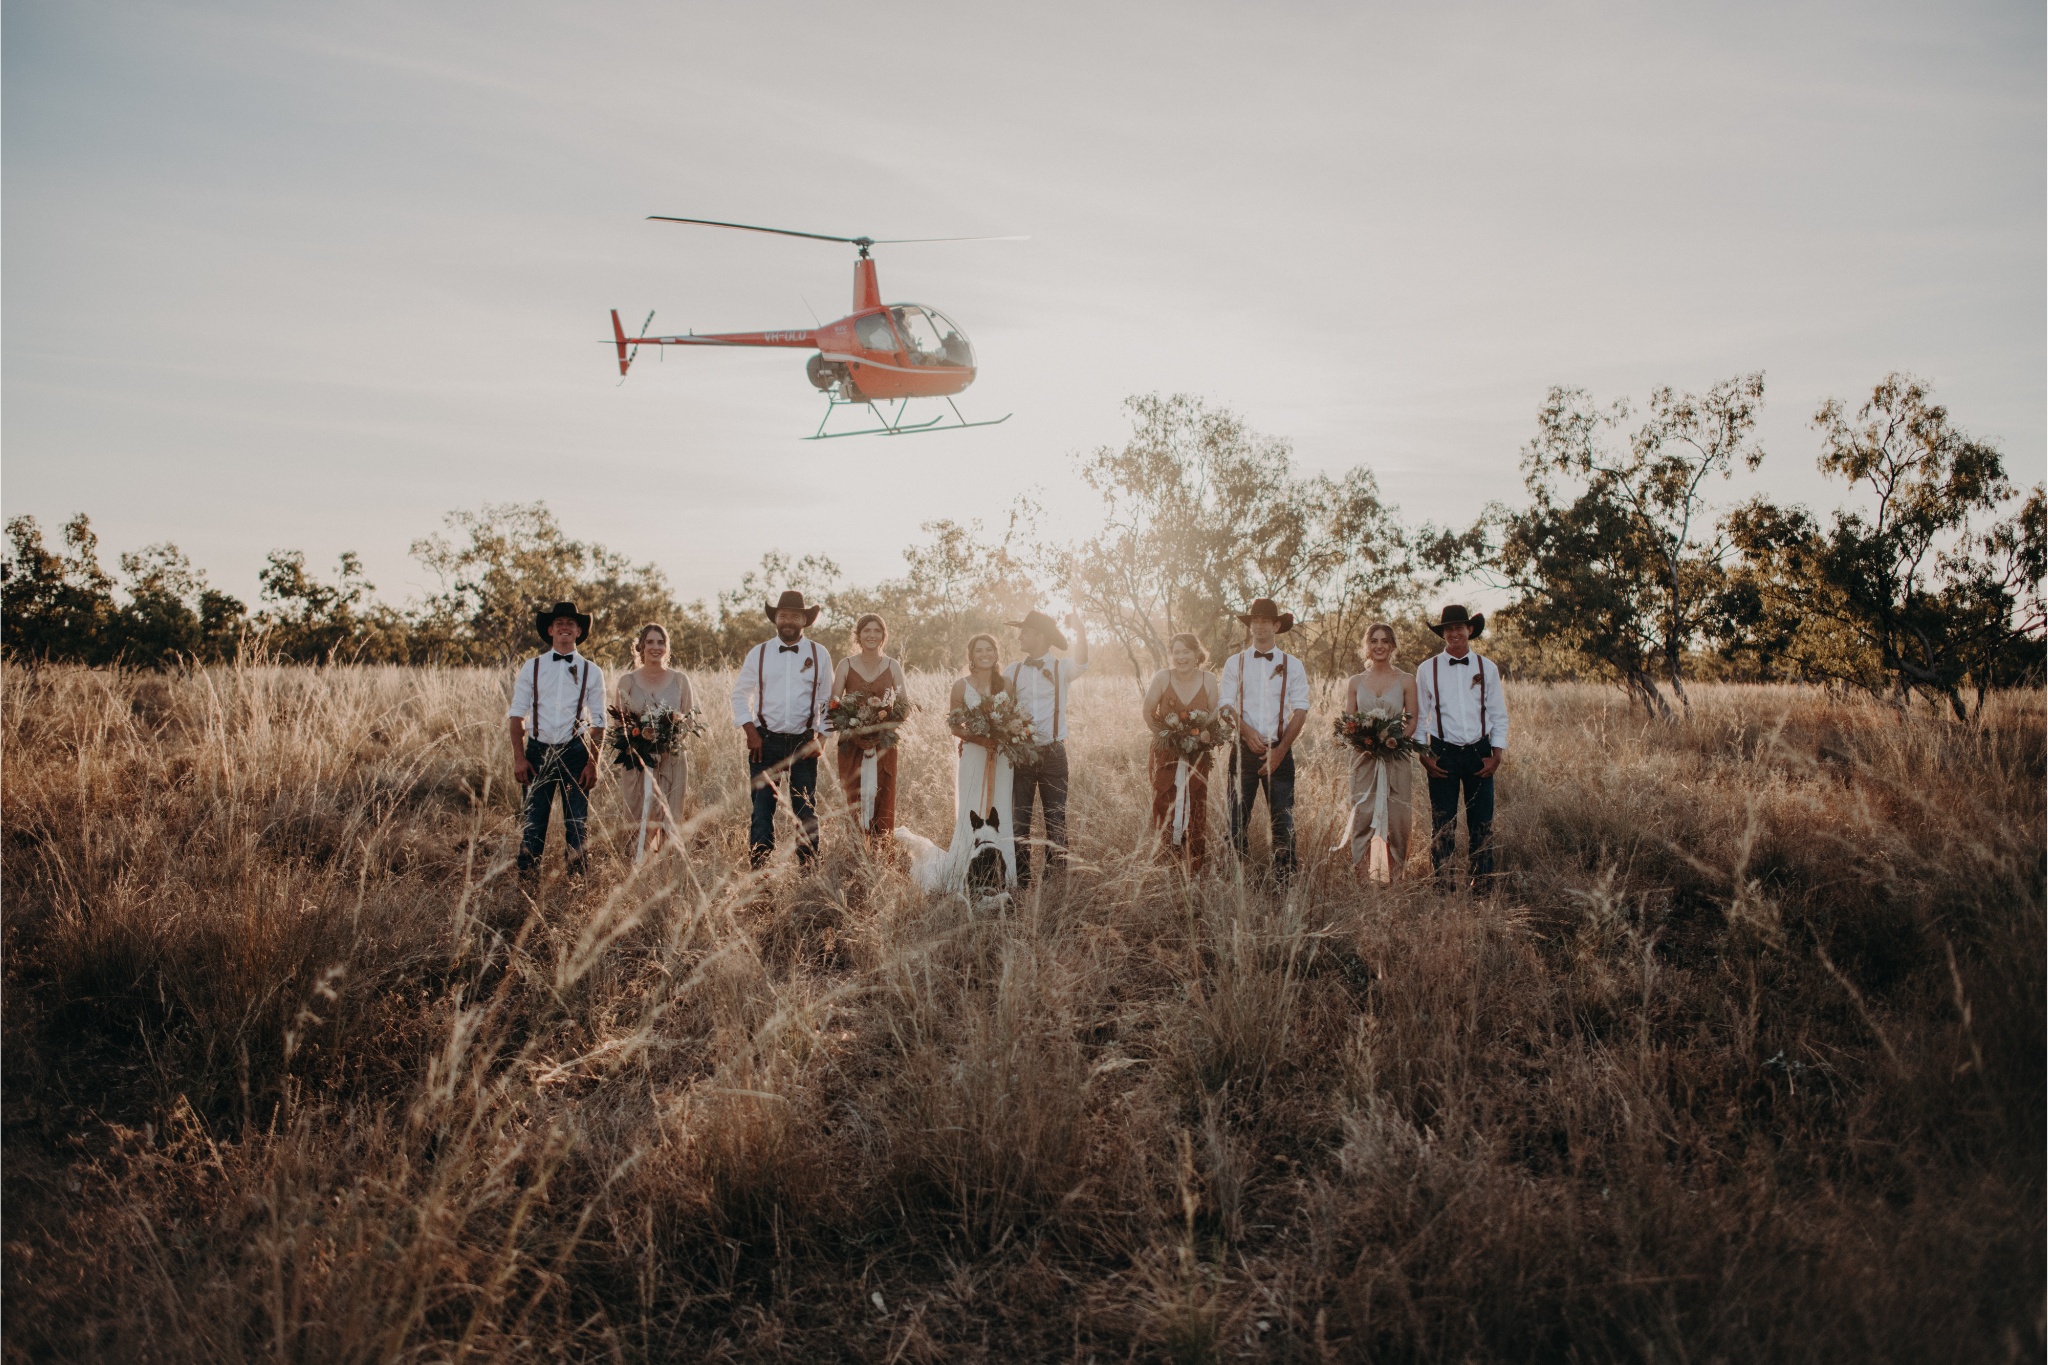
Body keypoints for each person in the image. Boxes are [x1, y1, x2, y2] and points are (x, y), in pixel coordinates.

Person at [898, 633, 1016, 897]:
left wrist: (1000, 736)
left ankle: (1004, 876)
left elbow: (1014, 720)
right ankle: (962, 873)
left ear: (996, 654)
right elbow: (954, 726)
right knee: (970, 812)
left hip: (1001, 757)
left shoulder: (1007, 685)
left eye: (989, 649)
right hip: (974, 754)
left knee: (1001, 810)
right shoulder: (961, 686)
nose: (984, 654)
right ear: (971, 656)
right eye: (979, 650)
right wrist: (979, 738)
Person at [730, 591, 834, 870]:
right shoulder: (759, 653)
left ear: (804, 620)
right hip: (765, 741)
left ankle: (809, 870)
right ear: (775, 618)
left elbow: (828, 701)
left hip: (803, 741)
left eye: (795, 616)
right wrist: (751, 733)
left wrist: (822, 738)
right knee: (762, 810)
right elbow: (740, 695)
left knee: (805, 809)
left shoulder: (819, 653)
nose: (788, 620)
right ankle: (760, 871)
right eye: (783, 615)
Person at [508, 601, 607, 878]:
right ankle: (527, 883)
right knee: (533, 822)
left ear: (578, 632)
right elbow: (517, 716)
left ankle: (577, 884)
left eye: (571, 624)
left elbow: (599, 722)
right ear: (550, 630)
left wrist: (593, 762)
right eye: (559, 623)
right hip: (537, 752)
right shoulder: (533, 667)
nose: (565, 627)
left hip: (576, 752)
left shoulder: (592, 671)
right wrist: (519, 758)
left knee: (577, 823)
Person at [1415, 605, 1509, 890]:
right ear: (1443, 633)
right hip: (1442, 752)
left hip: (1480, 751)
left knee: (1482, 822)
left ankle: (1481, 884)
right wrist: (1423, 754)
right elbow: (1420, 715)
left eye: (1460, 627)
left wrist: (1496, 754)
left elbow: (1498, 714)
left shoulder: (1487, 667)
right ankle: (1442, 884)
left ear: (1470, 630)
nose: (1454, 633)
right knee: (1443, 823)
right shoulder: (1427, 669)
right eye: (1448, 628)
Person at [1219, 598, 1309, 884]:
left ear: (1276, 625)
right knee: (1236, 823)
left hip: (1279, 753)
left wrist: (1281, 751)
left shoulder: (1292, 665)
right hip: (1243, 752)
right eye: (1254, 621)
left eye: (1265, 621)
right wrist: (1245, 731)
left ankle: (1285, 886)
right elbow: (1224, 706)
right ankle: (1235, 882)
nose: (1259, 626)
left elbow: (1301, 709)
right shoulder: (1235, 662)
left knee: (1283, 823)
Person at [1005, 609, 1089, 889]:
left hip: (1054, 754)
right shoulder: (1012, 671)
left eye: (1025, 631)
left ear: (1039, 636)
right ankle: (1022, 879)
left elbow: (1082, 661)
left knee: (1056, 819)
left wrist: (1081, 630)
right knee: (1019, 820)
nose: (1020, 636)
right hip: (1021, 755)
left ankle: (1054, 881)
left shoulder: (1061, 668)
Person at [1339, 622, 1418, 885]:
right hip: (1364, 759)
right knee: (1363, 815)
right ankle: (1363, 882)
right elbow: (1348, 722)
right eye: (1374, 641)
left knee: (1397, 818)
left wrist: (1392, 742)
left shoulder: (1406, 680)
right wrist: (1367, 742)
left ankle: (1395, 881)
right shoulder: (1355, 682)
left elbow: (1413, 719)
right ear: (1367, 645)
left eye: (1385, 641)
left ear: (1393, 646)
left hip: (1396, 757)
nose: (1379, 646)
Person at [613, 622, 693, 861]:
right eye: (650, 642)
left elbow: (688, 720)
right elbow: (619, 724)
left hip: (672, 760)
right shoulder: (627, 682)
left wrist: (667, 741)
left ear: (667, 648)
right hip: (637, 761)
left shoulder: (680, 680)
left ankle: (666, 871)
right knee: (637, 817)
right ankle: (638, 871)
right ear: (640, 646)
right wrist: (641, 743)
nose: (655, 647)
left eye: (661, 642)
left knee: (669, 817)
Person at [829, 613, 908, 849]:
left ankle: (881, 851)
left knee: (882, 796)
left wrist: (881, 727)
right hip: (852, 744)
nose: (872, 635)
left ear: (883, 636)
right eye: (867, 631)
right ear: (859, 635)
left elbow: (903, 705)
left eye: (877, 631)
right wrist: (854, 726)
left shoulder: (893, 665)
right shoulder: (846, 664)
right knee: (854, 796)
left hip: (884, 744)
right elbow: (833, 704)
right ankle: (855, 852)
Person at [1142, 632, 1220, 870]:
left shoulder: (1209, 679)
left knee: (1195, 800)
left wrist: (1199, 735)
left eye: (1186, 651)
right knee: (1165, 799)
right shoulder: (1162, 677)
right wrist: (1166, 736)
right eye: (1176, 652)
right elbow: (1147, 711)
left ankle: (1193, 857)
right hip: (1166, 753)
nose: (1181, 657)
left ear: (1197, 653)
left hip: (1198, 753)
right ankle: (1166, 855)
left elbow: (1216, 713)